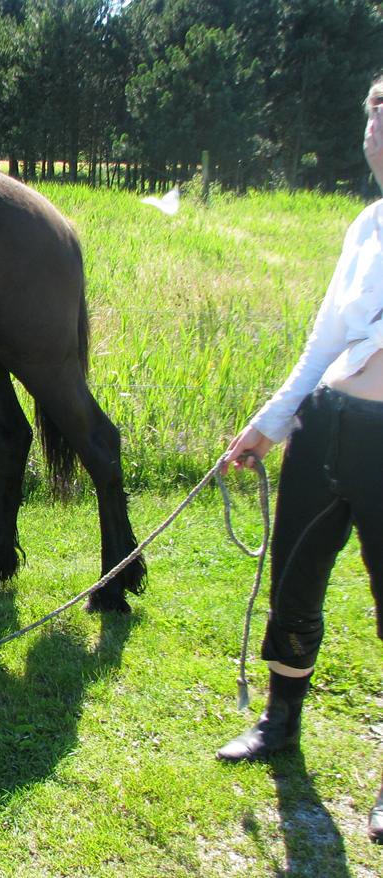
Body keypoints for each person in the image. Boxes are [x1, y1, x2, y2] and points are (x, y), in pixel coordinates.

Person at [216, 74, 383, 843]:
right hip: (327, 426)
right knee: (294, 573)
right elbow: (323, 339)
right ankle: (281, 722)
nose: (377, 132)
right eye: (374, 116)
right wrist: (268, 424)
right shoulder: (366, 226)